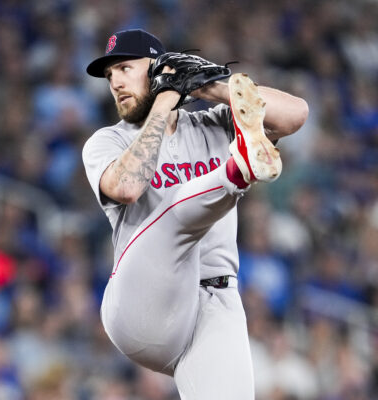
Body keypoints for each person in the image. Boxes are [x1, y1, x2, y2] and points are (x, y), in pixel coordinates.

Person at [83, 28, 308, 399]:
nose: (115, 82)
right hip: (145, 304)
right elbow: (127, 187)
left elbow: (295, 115)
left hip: (215, 300)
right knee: (176, 215)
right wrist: (165, 100)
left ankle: (238, 169)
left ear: (158, 67)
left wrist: (210, 85)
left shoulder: (214, 123)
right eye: (110, 76)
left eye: (124, 68)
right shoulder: (108, 141)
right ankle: (237, 171)